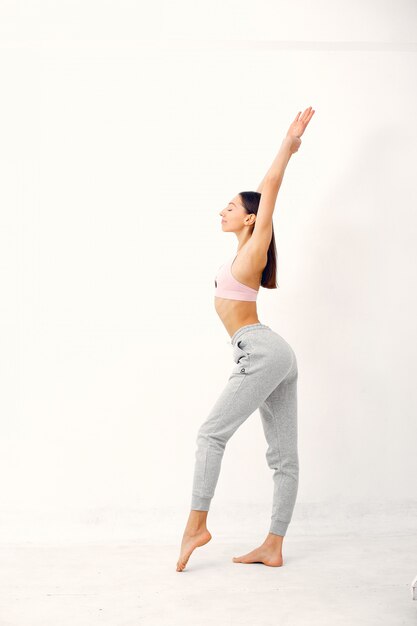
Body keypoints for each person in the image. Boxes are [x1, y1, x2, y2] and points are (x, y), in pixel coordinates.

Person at [176, 107, 315, 571]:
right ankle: (273, 546)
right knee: (283, 458)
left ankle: (196, 524)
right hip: (273, 353)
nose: (223, 211)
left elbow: (270, 188)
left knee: (210, 435)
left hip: (260, 351)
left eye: (232, 207)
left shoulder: (255, 248)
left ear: (251, 219)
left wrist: (288, 145)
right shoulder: (240, 254)